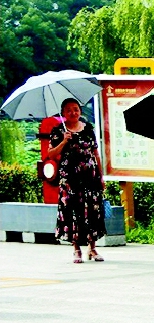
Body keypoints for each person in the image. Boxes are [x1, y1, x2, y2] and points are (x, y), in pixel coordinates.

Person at [49, 98, 107, 263]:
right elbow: (51, 154)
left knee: (93, 211)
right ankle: (76, 249)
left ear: (80, 111)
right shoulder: (58, 131)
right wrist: (64, 141)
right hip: (70, 179)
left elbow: (95, 153)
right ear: (63, 113)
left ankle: (92, 248)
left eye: (75, 109)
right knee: (73, 212)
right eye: (68, 110)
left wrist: (101, 176)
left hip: (90, 177)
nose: (73, 112)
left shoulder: (88, 128)